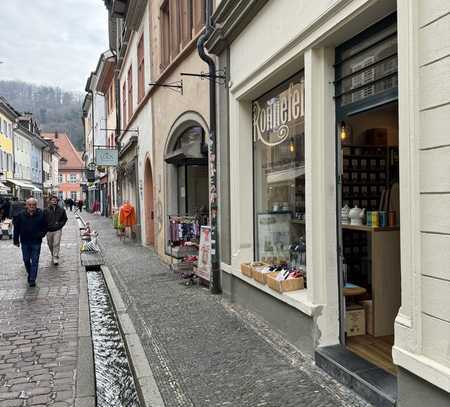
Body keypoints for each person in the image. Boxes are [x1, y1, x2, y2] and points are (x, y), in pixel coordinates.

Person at [13, 197, 47, 287]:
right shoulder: (21, 215)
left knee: (35, 260)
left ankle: (32, 279)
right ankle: (30, 273)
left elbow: (45, 226)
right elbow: (16, 228)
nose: (32, 206)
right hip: (25, 241)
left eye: (34, 205)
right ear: (26, 205)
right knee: (26, 260)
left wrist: (41, 234)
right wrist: (15, 240)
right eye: (30, 205)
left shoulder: (41, 214)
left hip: (36, 241)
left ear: (36, 205)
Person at [44, 196, 68, 265]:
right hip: (49, 230)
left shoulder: (61, 210)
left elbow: (65, 219)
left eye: (55, 200)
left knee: (56, 243)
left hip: (57, 230)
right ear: (50, 201)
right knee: (50, 244)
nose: (54, 201)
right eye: (52, 200)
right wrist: (45, 226)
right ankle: (53, 254)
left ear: (57, 201)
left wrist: (60, 225)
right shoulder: (46, 210)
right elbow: (43, 220)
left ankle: (55, 257)